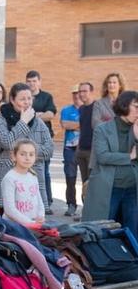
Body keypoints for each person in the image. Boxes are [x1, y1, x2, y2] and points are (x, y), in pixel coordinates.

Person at [0, 83, 53, 215]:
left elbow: (49, 150)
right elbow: (7, 143)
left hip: (33, 182)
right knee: (5, 228)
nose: (27, 102)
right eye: (22, 99)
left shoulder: (38, 122)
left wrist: (25, 152)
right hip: (7, 177)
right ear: (12, 100)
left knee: (32, 229)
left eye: (29, 98)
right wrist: (22, 122)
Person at [82, 91, 138, 238]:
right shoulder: (103, 129)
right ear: (124, 106)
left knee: (133, 232)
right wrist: (129, 156)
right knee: (103, 230)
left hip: (133, 188)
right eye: (136, 107)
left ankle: (132, 260)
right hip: (109, 189)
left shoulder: (136, 129)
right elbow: (102, 156)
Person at [25, 70, 56, 213]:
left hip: (43, 140)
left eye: (34, 81)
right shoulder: (24, 96)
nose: (32, 84)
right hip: (25, 142)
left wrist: (32, 116)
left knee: (45, 172)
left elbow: (50, 114)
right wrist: (38, 114)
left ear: (39, 82)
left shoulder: (46, 97)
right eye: (29, 81)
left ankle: (46, 202)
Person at [1, 139, 46, 228]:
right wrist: (30, 223)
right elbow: (9, 209)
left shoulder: (33, 176)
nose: (27, 158)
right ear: (14, 156)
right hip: (14, 226)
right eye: (22, 154)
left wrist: (41, 216)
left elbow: (39, 200)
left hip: (33, 224)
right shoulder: (10, 178)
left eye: (31, 154)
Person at [60, 85, 82, 216]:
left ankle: (87, 205)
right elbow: (64, 125)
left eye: (78, 93)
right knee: (70, 177)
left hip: (85, 148)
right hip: (70, 148)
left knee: (87, 179)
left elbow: (92, 125)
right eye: (74, 94)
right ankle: (71, 204)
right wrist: (82, 124)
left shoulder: (88, 110)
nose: (76, 96)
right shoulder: (66, 110)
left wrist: (73, 125)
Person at [76, 82, 97, 211]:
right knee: (84, 183)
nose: (82, 94)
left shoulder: (97, 107)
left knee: (92, 184)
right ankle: (86, 211)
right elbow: (82, 129)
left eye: (85, 91)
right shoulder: (81, 109)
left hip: (92, 152)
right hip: (81, 151)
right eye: (80, 91)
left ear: (91, 92)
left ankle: (92, 212)